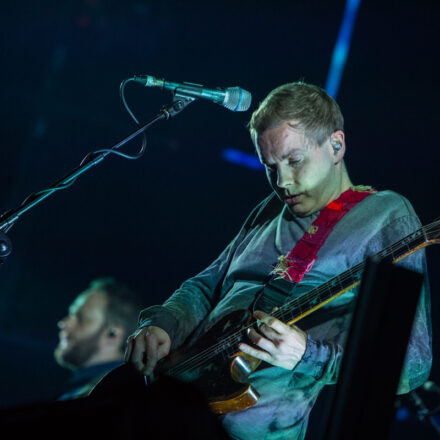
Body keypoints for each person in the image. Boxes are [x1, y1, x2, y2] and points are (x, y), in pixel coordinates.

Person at [125, 81, 432, 439]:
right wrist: (165, 324)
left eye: (294, 160)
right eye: (269, 166)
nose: (282, 182)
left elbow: (413, 363)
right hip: (169, 408)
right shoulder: (269, 208)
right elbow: (208, 284)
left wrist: (308, 356)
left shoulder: (386, 214)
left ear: (336, 145)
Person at [54, 277, 142, 400]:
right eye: (70, 315)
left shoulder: (118, 396)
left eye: (81, 318)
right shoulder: (82, 389)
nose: (64, 323)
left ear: (113, 334)